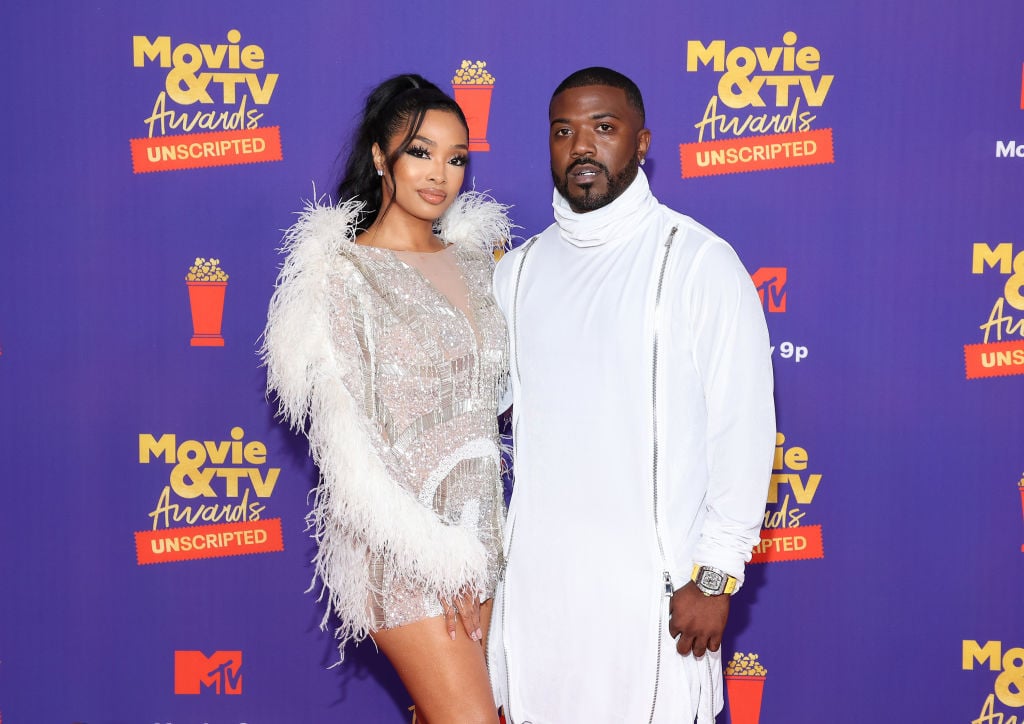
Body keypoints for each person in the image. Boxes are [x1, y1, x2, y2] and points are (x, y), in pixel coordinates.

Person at [486, 67, 776, 723]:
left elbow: (745, 430)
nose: (581, 147)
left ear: (642, 143)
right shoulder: (518, 273)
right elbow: (476, 411)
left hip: (658, 601)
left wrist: (715, 575)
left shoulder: (699, 261)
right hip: (540, 599)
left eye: (603, 128)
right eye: (564, 132)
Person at [262, 74, 511, 724]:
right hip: (402, 550)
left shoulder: (481, 263)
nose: (441, 174)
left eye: (457, 157)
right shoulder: (342, 275)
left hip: (485, 537)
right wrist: (438, 556)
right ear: (381, 156)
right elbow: (348, 452)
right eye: (420, 151)